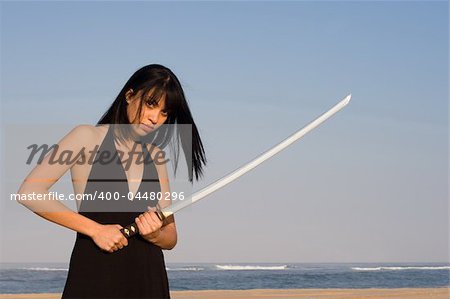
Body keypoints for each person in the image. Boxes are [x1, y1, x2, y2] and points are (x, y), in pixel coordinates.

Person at [17, 64, 207, 298]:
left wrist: (154, 234)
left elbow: (171, 237)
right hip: (96, 277)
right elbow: (29, 192)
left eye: (165, 112)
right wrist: (95, 230)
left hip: (149, 282)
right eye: (150, 104)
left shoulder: (157, 157)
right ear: (129, 95)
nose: (155, 118)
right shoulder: (86, 137)